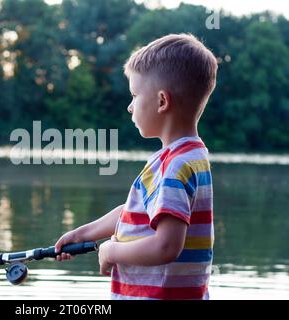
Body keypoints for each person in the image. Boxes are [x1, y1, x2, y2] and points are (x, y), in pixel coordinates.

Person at [54, 33, 217, 300]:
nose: (130, 107)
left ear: (162, 101)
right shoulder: (190, 156)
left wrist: (111, 251)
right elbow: (136, 212)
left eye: (134, 95)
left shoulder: (174, 166)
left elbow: (166, 246)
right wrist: (82, 233)